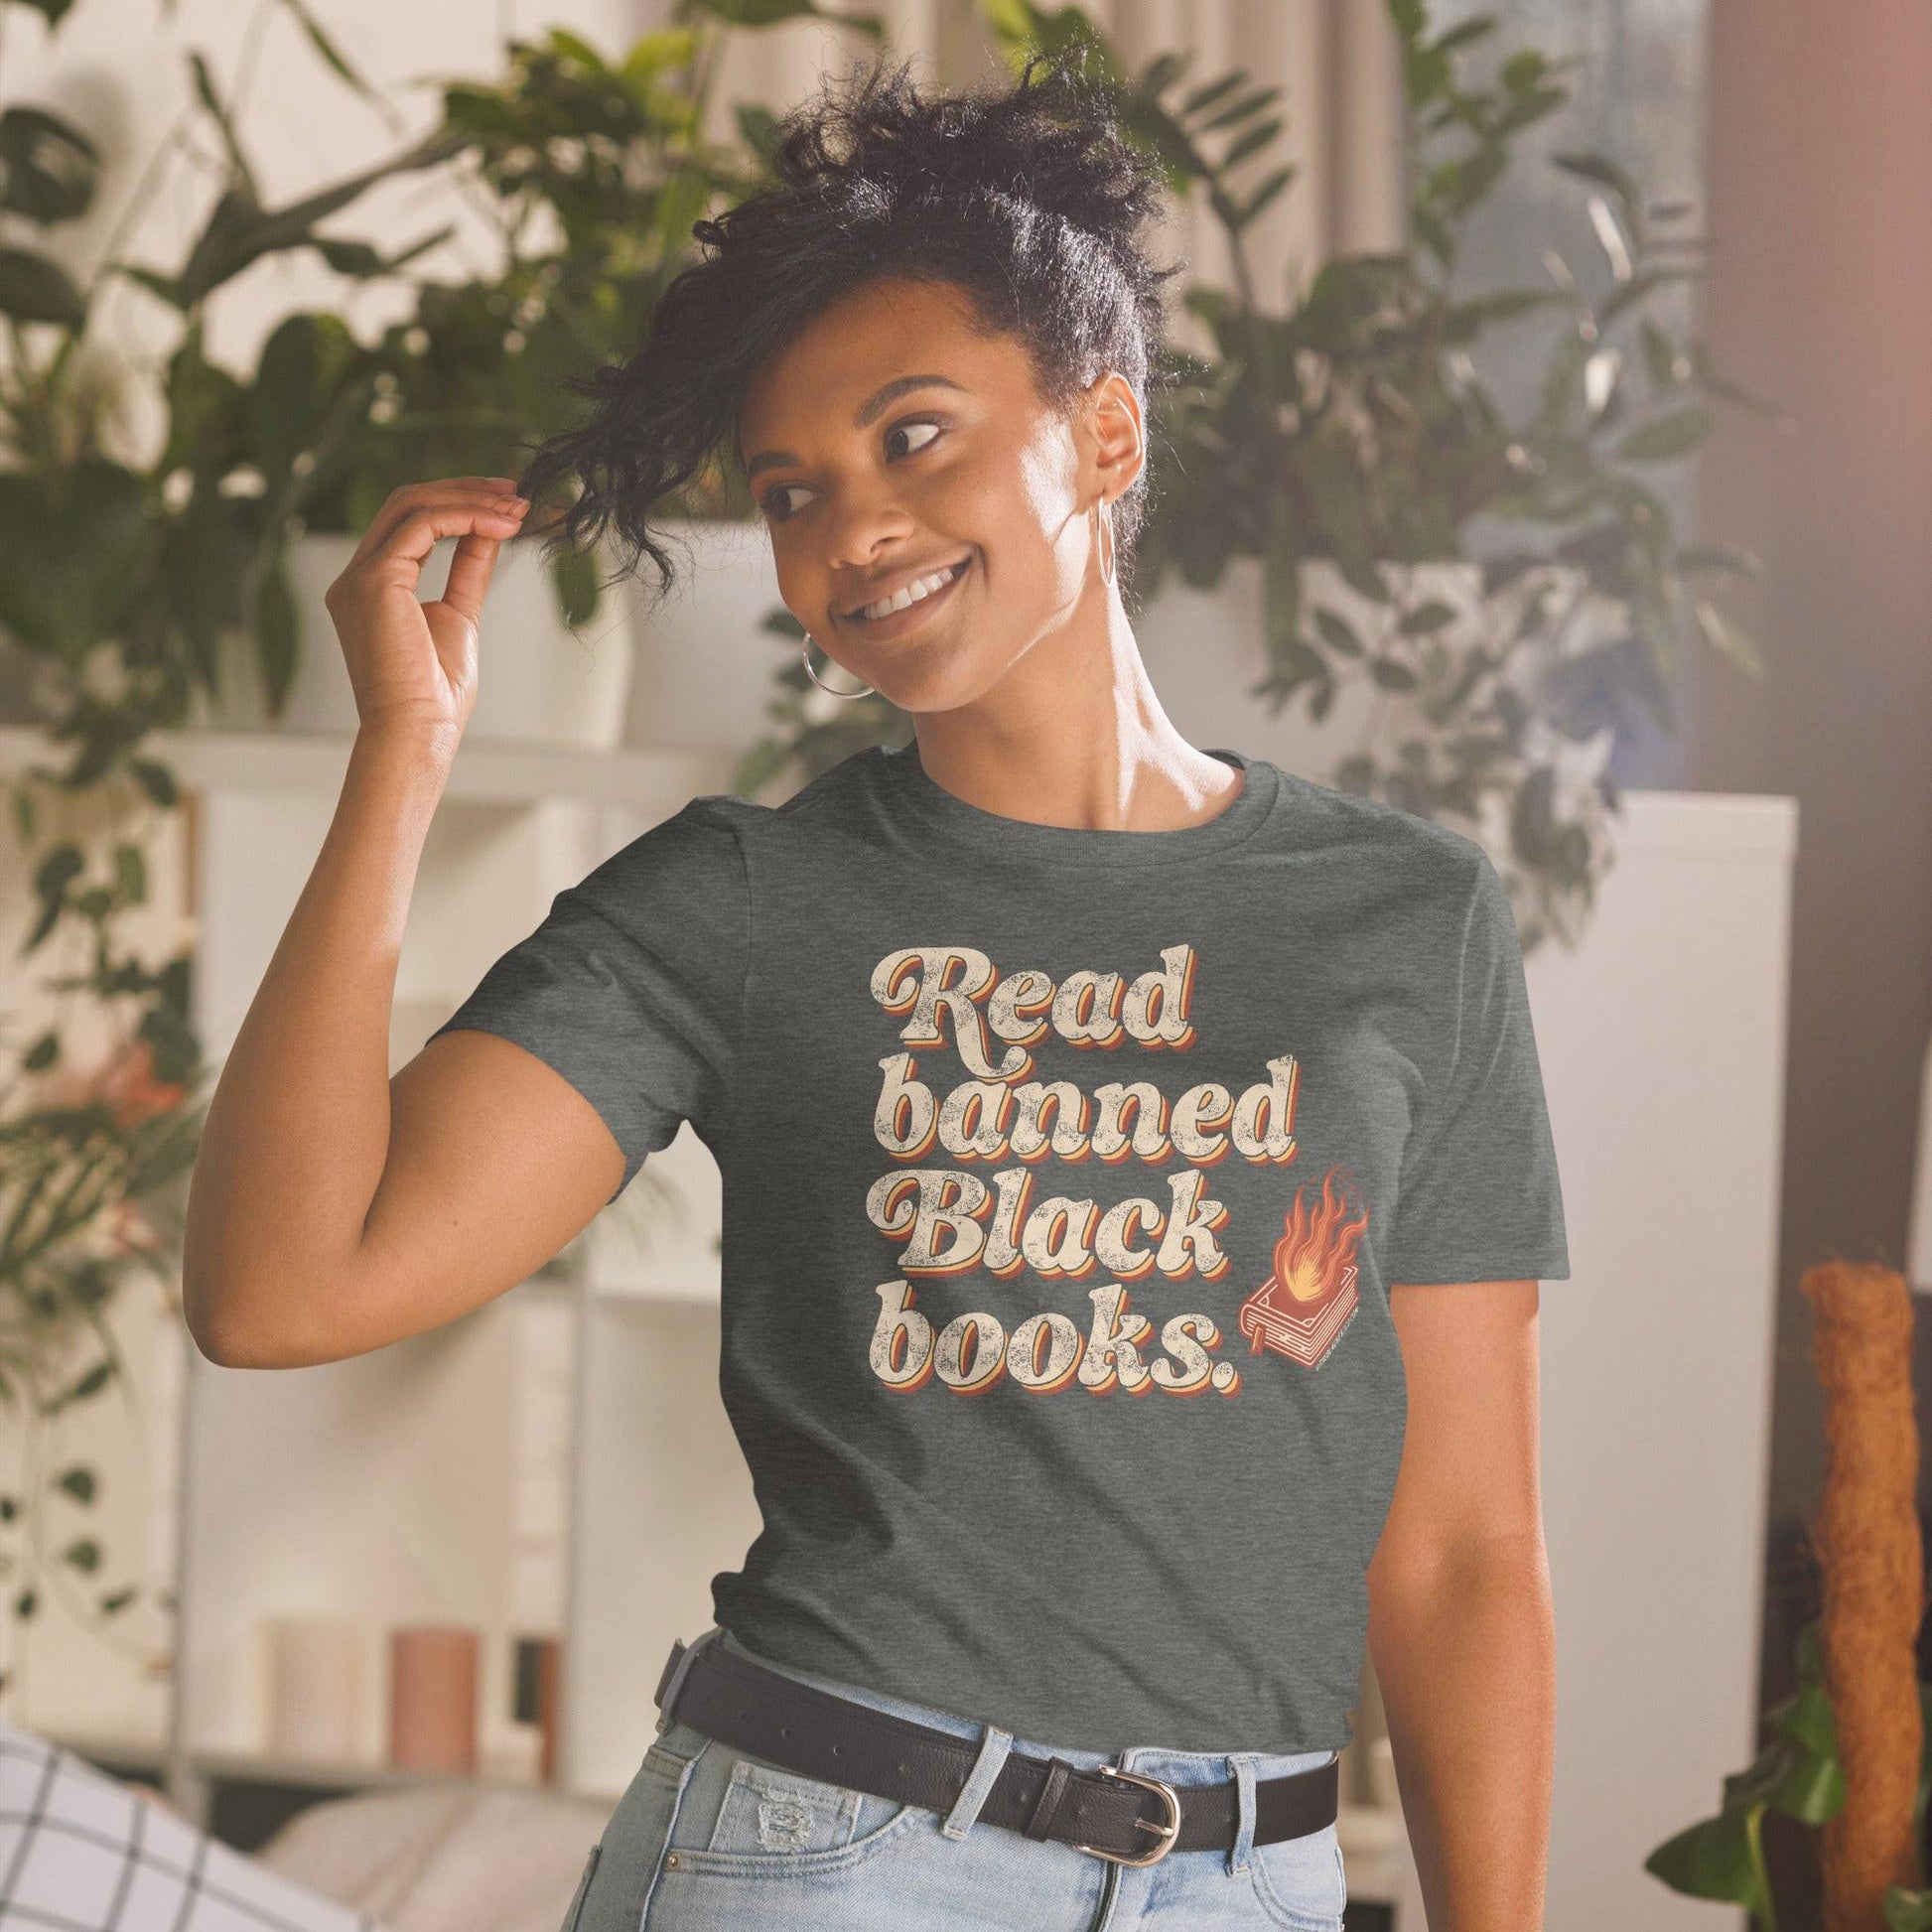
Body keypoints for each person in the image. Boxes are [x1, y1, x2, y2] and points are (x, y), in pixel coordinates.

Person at [181, 47, 1571, 1932]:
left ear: (1102, 430)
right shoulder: (742, 904)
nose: (849, 534)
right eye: (791, 492)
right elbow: (280, 1287)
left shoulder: (1407, 917)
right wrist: (403, 759)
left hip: (1256, 1882)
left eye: (912, 436)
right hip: (828, 1857)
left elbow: (1467, 1549)